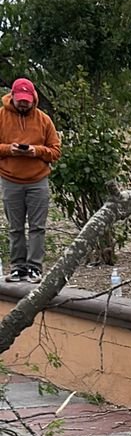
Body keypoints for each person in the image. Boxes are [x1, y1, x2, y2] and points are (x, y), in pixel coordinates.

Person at [0, 77, 61, 282]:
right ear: (12, 97)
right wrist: (9, 149)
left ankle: (35, 268)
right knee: (15, 228)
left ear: (33, 98)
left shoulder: (44, 120)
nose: (23, 104)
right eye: (20, 101)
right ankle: (18, 268)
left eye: (27, 101)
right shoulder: (1, 116)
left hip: (38, 181)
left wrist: (36, 151)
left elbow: (55, 151)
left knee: (37, 227)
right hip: (10, 180)